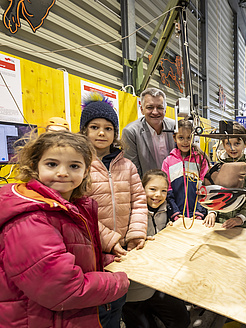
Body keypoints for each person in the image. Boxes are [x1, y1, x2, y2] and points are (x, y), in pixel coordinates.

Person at [0, 131, 129, 327]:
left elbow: (72, 255)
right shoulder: (31, 219)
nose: (63, 172)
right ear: (35, 166)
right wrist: (119, 281)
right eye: (52, 164)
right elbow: (63, 289)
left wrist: (109, 262)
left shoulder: (72, 207)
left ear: (86, 171)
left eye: (74, 166)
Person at [79, 93, 148, 326]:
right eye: (94, 127)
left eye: (108, 128)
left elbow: (139, 200)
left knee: (117, 303)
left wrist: (136, 233)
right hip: (95, 251)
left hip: (124, 252)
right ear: (84, 131)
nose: (101, 133)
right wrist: (110, 239)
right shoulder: (80, 167)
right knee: (97, 310)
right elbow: (80, 210)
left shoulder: (127, 165)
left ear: (115, 133)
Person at [122, 169, 190, 328]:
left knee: (182, 320)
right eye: (152, 189)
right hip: (134, 290)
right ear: (141, 188)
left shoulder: (167, 210)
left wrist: (170, 232)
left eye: (163, 190)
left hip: (158, 283)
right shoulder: (131, 213)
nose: (158, 195)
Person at [203, 122, 246, 229]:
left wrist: (241, 217)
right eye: (228, 144)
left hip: (244, 224)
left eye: (237, 143)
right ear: (223, 144)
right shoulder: (218, 166)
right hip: (220, 223)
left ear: (245, 143)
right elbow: (212, 193)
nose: (232, 148)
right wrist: (212, 212)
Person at [122, 88, 176, 177]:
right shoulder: (131, 132)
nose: (155, 112)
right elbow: (133, 170)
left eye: (159, 107)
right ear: (142, 109)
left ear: (165, 110)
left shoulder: (175, 127)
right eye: (150, 107)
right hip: (147, 187)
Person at [161, 118, 209, 220]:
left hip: (198, 216)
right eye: (181, 138)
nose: (185, 142)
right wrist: (175, 213)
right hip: (177, 216)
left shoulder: (200, 159)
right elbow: (167, 191)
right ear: (174, 138)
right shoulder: (168, 162)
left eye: (189, 137)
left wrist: (199, 212)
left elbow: (205, 187)